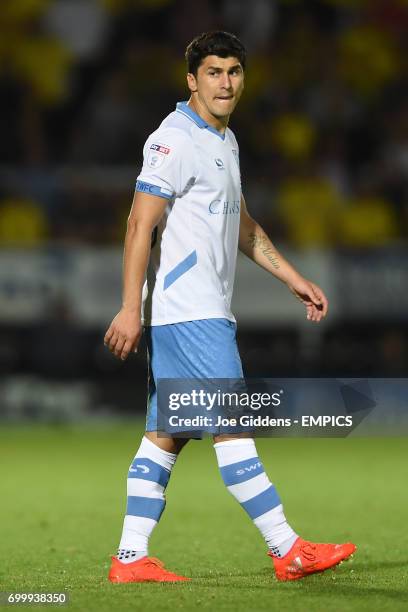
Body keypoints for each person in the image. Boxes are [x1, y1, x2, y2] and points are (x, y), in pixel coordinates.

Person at [104, 31, 356, 583]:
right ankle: (286, 548)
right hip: (189, 310)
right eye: (214, 72)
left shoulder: (225, 140)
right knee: (234, 424)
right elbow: (138, 224)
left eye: (235, 71)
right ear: (192, 80)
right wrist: (129, 308)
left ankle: (130, 558)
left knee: (166, 434)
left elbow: (241, 224)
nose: (226, 82)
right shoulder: (174, 138)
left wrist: (293, 277)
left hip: (195, 311)